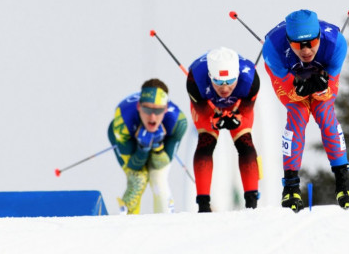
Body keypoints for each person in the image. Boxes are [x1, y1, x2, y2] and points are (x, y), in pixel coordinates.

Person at [262, 9, 349, 212]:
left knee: (325, 114)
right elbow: (288, 89)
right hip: (287, 74)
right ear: (289, 41)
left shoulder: (336, 44)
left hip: (322, 71)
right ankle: (290, 188)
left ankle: (343, 184)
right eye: (298, 45)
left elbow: (329, 87)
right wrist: (300, 86)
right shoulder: (272, 48)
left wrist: (320, 85)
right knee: (297, 115)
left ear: (319, 37)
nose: (306, 50)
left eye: (312, 43)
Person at [186, 47, 261, 212]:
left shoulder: (251, 78)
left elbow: (247, 110)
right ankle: (203, 204)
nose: (225, 88)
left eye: (230, 81)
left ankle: (252, 201)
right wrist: (216, 119)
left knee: (245, 143)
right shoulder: (195, 77)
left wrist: (236, 117)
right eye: (219, 82)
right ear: (210, 77)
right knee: (206, 142)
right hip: (207, 104)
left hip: (238, 104)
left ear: (237, 76)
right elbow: (202, 111)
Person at [108, 78, 187, 214]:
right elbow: (134, 166)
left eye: (158, 111)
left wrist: (157, 146)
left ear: (166, 109)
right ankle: (127, 222)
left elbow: (161, 164)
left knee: (158, 177)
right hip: (126, 136)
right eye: (146, 109)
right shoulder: (122, 121)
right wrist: (143, 148)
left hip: (162, 140)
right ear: (139, 106)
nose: (152, 117)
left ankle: (167, 224)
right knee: (138, 179)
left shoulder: (177, 122)